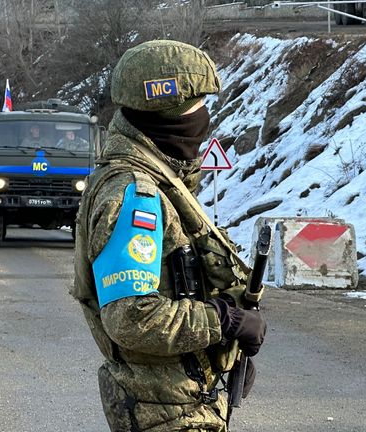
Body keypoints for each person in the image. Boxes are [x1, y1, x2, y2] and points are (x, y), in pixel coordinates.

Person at [71, 40, 267, 432]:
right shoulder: (134, 194)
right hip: (165, 412)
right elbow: (131, 318)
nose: (204, 119)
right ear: (168, 116)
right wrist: (224, 322)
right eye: (197, 108)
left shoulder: (160, 183)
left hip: (180, 402)